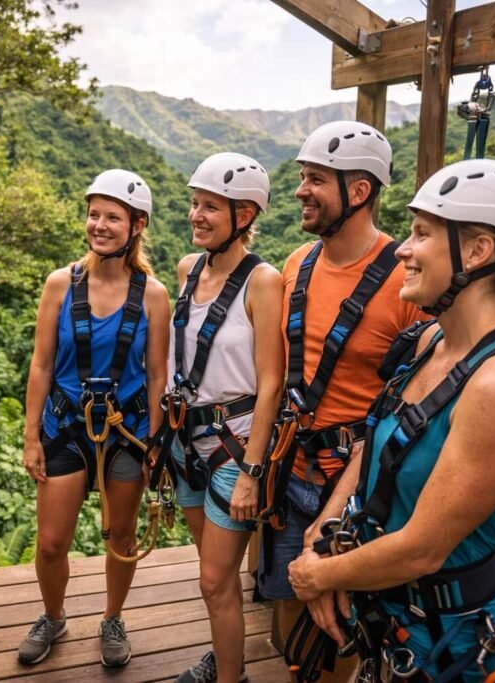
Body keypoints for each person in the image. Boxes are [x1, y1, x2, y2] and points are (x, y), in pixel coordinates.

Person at [288, 158, 495, 682]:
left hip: (446, 640)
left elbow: (423, 549)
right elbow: (375, 443)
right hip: (390, 618)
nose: (404, 249)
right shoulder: (432, 340)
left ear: (477, 252)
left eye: (421, 234)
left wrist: (317, 574)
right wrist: (323, 532)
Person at [255, 120, 426, 682]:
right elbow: (279, 374)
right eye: (302, 177)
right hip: (291, 473)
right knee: (288, 627)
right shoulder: (296, 264)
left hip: (352, 489)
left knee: (338, 633)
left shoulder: (405, 281)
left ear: (358, 191)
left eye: (315, 180)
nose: (300, 190)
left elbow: (412, 402)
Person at [20, 169, 170, 668]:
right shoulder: (61, 284)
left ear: (137, 225)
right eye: (93, 214)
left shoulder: (152, 295)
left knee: (122, 538)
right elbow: (41, 364)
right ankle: (54, 615)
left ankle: (112, 618)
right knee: (50, 543)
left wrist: (155, 443)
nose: (99, 225)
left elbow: (155, 376)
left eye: (112, 216)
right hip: (65, 426)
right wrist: (30, 436)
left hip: (126, 432)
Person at [153, 153, 284, 683]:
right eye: (194, 204)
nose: (196, 215)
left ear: (246, 215)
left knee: (212, 579)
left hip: (234, 446)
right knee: (219, 580)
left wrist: (253, 471)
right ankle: (226, 660)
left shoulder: (263, 281)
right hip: (186, 440)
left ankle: (230, 676)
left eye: (210, 207)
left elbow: (271, 380)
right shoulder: (189, 269)